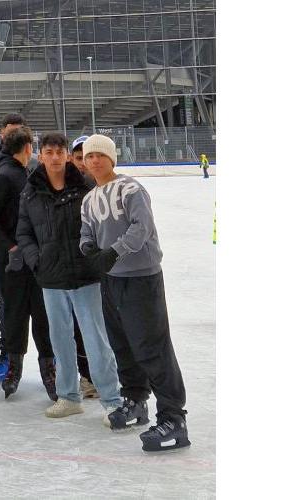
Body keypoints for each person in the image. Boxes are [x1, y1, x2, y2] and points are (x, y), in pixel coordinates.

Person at [79, 134, 191, 452]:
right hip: (111, 281)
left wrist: (114, 252)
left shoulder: (131, 189)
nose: (95, 161)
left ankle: (173, 418)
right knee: (123, 344)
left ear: (112, 159)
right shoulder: (90, 199)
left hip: (141, 277)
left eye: (100, 155)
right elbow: (86, 229)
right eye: (89, 157)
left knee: (151, 346)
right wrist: (88, 247)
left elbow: (141, 228)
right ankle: (136, 401)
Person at [14, 133, 122, 422]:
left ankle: (112, 399)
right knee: (60, 339)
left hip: (85, 275)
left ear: (66, 154)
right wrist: (37, 261)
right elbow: (23, 232)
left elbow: (103, 226)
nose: (54, 157)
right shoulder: (31, 191)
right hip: (51, 277)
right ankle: (68, 396)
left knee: (96, 339)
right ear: (40, 154)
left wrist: (96, 257)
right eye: (48, 152)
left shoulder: (86, 186)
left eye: (59, 152)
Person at [0, 125, 55, 400]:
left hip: (36, 257)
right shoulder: (6, 174)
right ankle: (14, 367)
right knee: (14, 313)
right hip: (13, 259)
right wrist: (11, 246)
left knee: (42, 312)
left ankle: (49, 366)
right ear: (26, 148)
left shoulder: (28, 172)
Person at [69, 134, 99, 399]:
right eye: (80, 158)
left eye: (91, 157)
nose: (86, 163)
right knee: (79, 326)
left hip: (106, 268)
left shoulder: (114, 188)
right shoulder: (65, 187)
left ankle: (110, 374)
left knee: (106, 325)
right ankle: (88, 377)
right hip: (76, 269)